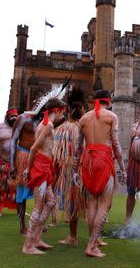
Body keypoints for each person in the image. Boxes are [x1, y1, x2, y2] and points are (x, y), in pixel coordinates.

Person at [77, 89, 126, 257]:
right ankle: (91, 246)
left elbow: (78, 148)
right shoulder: (111, 117)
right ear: (109, 101)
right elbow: (116, 144)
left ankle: (95, 240)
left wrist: (77, 169)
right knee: (105, 203)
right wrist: (122, 167)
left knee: (92, 203)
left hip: (87, 162)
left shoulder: (83, 119)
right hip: (103, 160)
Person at [22, 98, 66, 255]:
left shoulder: (45, 124)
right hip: (40, 167)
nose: (63, 115)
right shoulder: (47, 125)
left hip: (45, 166)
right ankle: (28, 245)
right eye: (62, 111)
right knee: (38, 206)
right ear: (57, 110)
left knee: (51, 201)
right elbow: (34, 148)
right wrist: (28, 168)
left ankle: (37, 238)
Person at [54, 86, 87, 246]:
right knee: (83, 203)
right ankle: (93, 238)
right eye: (76, 108)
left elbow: (57, 155)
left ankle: (76, 237)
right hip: (80, 171)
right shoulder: (86, 126)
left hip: (78, 171)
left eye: (77, 108)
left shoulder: (65, 128)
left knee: (79, 204)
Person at [10, 111, 41, 235]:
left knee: (41, 192)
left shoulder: (44, 120)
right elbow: (13, 141)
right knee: (21, 194)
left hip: (38, 159)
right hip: (24, 157)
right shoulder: (22, 118)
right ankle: (22, 226)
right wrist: (12, 165)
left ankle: (37, 224)